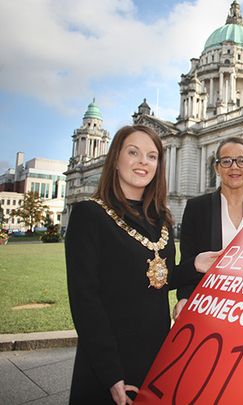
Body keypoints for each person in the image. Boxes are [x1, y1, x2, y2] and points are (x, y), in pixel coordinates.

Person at [66, 125, 177, 404]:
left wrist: (198, 262)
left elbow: (162, 278)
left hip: (156, 358)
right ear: (115, 159)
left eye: (152, 156)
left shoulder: (161, 219)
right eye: (133, 152)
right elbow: (85, 300)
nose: (143, 161)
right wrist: (110, 373)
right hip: (110, 364)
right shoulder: (89, 215)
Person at [174, 137, 243, 316]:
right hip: (211, 308)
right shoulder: (196, 208)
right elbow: (188, 261)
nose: (234, 167)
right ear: (217, 168)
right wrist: (185, 298)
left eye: (242, 161)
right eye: (226, 161)